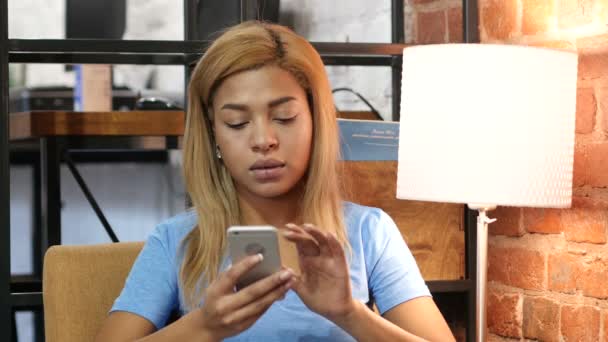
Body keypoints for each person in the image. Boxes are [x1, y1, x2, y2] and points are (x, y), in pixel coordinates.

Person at [95, 21, 455, 342]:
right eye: (237, 123)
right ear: (213, 134)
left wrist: (349, 314)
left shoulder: (368, 231)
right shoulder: (177, 241)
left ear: (316, 120)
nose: (263, 140)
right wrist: (205, 326)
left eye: (284, 117)